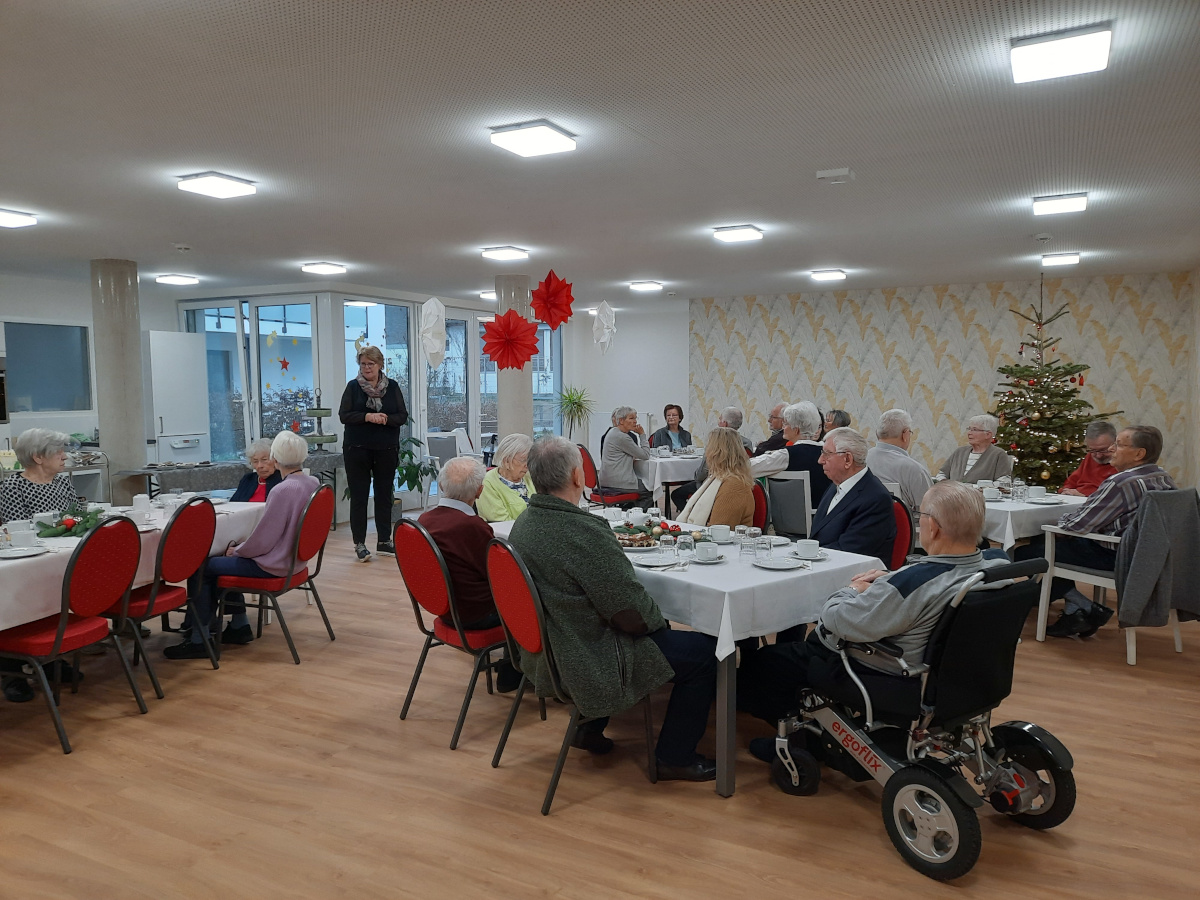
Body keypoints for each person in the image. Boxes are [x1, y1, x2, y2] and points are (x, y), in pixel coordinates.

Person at [509, 436, 719, 781]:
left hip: (548, 650)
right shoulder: (582, 530)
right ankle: (674, 756)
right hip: (586, 656)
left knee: (599, 616)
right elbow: (631, 615)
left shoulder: (525, 523)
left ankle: (587, 728)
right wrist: (659, 623)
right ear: (578, 477)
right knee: (704, 653)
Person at [738, 481, 1011, 734]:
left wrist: (850, 590)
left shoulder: (914, 583)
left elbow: (838, 619)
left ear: (934, 528)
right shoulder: (997, 566)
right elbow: (928, 584)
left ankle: (797, 738)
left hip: (879, 669)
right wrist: (890, 581)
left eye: (921, 516)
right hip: (962, 677)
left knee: (768, 661)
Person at [164, 432, 319, 659]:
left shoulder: (282, 490)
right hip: (296, 562)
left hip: (273, 565)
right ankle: (238, 625)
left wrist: (237, 550)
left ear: (275, 459)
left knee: (202, 565)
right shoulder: (312, 482)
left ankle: (200, 638)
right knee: (220, 562)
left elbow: (264, 540)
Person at [1015, 425, 1177, 638]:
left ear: (1139, 453)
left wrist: (1055, 522)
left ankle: (1082, 606)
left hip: (1116, 556)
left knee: (1026, 553)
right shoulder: (1163, 477)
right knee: (1042, 544)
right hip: (1147, 557)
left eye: (1118, 444)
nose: (1112, 449)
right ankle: (1075, 608)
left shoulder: (1121, 482)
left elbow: (1078, 525)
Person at [418, 457, 519, 690]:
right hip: (477, 614)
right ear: (480, 491)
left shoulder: (424, 521)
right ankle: (516, 672)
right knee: (532, 595)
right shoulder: (472, 527)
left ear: (441, 486)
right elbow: (498, 574)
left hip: (445, 609)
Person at [339, 346, 409, 562]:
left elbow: (402, 416)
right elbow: (344, 415)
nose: (367, 368)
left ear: (380, 365)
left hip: (386, 449)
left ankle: (384, 541)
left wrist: (385, 418)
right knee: (359, 497)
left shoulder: (393, 387)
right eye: (363, 364)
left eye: (371, 364)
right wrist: (367, 417)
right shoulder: (353, 387)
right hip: (357, 450)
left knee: (384, 495)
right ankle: (359, 543)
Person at [809, 427, 897, 564]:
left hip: (852, 576)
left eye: (827, 454)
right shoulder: (835, 485)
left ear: (848, 459)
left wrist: (804, 557)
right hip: (821, 567)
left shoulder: (875, 499)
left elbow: (849, 552)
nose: (820, 460)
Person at [749, 401, 832, 509]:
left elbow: (748, 468)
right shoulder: (828, 451)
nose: (783, 428)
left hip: (793, 518)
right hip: (824, 514)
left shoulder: (788, 454)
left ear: (796, 430)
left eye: (786, 424)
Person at [669, 406, 753, 509]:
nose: (718, 422)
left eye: (720, 419)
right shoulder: (747, 443)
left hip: (714, 486)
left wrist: (695, 474)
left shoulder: (716, 444)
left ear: (724, 424)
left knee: (676, 494)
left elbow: (701, 474)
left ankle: (692, 517)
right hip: (739, 484)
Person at [676, 427, 755, 528]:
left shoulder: (734, 486)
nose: (706, 454)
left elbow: (718, 531)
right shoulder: (718, 477)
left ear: (716, 453)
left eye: (708, 448)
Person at [0, 428, 80, 522]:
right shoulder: (13, 487)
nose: (65, 457)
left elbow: (78, 516)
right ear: (38, 457)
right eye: (58, 452)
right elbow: (17, 528)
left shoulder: (62, 482)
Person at [865, 408, 932, 513]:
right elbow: (930, 512)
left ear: (877, 434)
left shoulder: (859, 461)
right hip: (903, 528)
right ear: (905, 434)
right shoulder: (915, 470)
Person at [937, 414, 1013, 484]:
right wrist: (945, 484)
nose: (969, 433)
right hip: (954, 496)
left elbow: (1004, 482)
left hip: (980, 497)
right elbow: (942, 474)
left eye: (974, 429)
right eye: (969, 429)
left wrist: (983, 488)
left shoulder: (998, 454)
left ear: (988, 434)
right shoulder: (959, 452)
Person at [477, 433, 535, 522]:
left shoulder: (530, 477)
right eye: (523, 460)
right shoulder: (488, 483)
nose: (527, 465)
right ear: (506, 461)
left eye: (530, 460)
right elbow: (501, 522)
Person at [600, 405, 652, 502]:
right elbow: (645, 455)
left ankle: (628, 510)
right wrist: (642, 435)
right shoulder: (622, 437)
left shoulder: (612, 432)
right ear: (621, 420)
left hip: (606, 480)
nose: (635, 421)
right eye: (631, 418)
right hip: (618, 482)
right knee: (649, 488)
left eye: (635, 418)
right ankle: (637, 516)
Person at [1060, 421, 1117, 497]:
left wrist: (1086, 496)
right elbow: (1071, 482)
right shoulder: (1089, 457)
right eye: (1093, 450)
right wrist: (1066, 491)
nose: (1098, 455)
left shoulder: (1124, 462)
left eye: (1103, 450)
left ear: (1115, 443)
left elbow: (1114, 495)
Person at [230, 438, 283, 502]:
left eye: (264, 460)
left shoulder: (283, 481)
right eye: (255, 461)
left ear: (276, 460)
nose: (259, 466)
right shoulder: (247, 480)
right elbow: (233, 505)